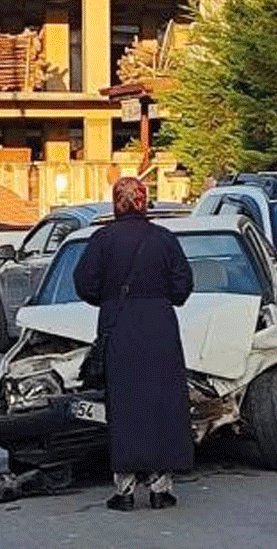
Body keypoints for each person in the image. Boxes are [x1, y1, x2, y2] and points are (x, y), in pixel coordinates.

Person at [73, 177, 195, 511]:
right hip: (159, 327)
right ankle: (160, 486)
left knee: (124, 404)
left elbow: (84, 283)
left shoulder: (102, 240)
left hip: (119, 325)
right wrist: (160, 298)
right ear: (145, 202)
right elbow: (184, 285)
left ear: (115, 203)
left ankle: (125, 490)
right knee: (161, 403)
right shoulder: (164, 239)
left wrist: (110, 300)